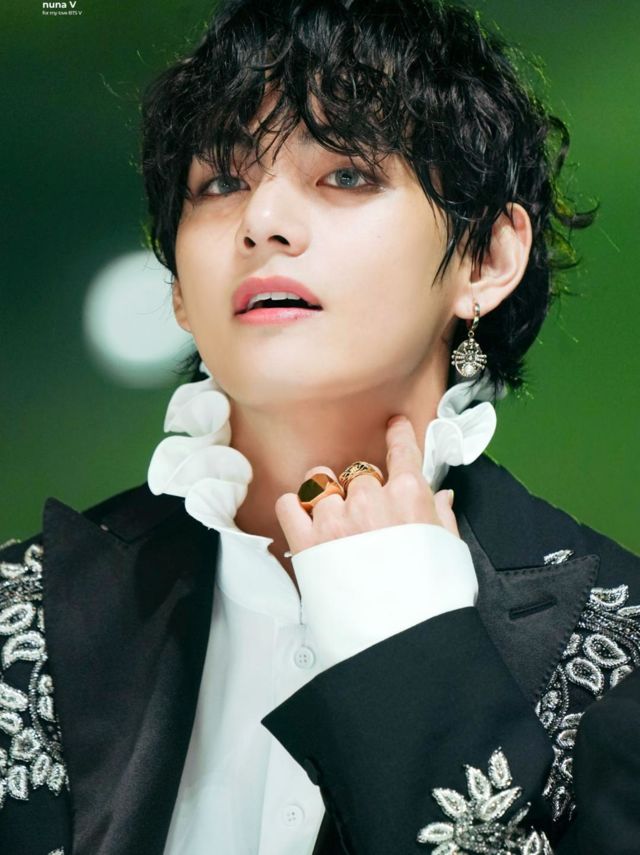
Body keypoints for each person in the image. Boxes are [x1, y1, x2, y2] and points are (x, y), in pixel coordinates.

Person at [1, 0, 638, 853]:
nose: (261, 221)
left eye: (345, 174)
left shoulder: (620, 647)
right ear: (179, 289)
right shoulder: (22, 615)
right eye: (220, 182)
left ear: (487, 257)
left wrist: (404, 645)